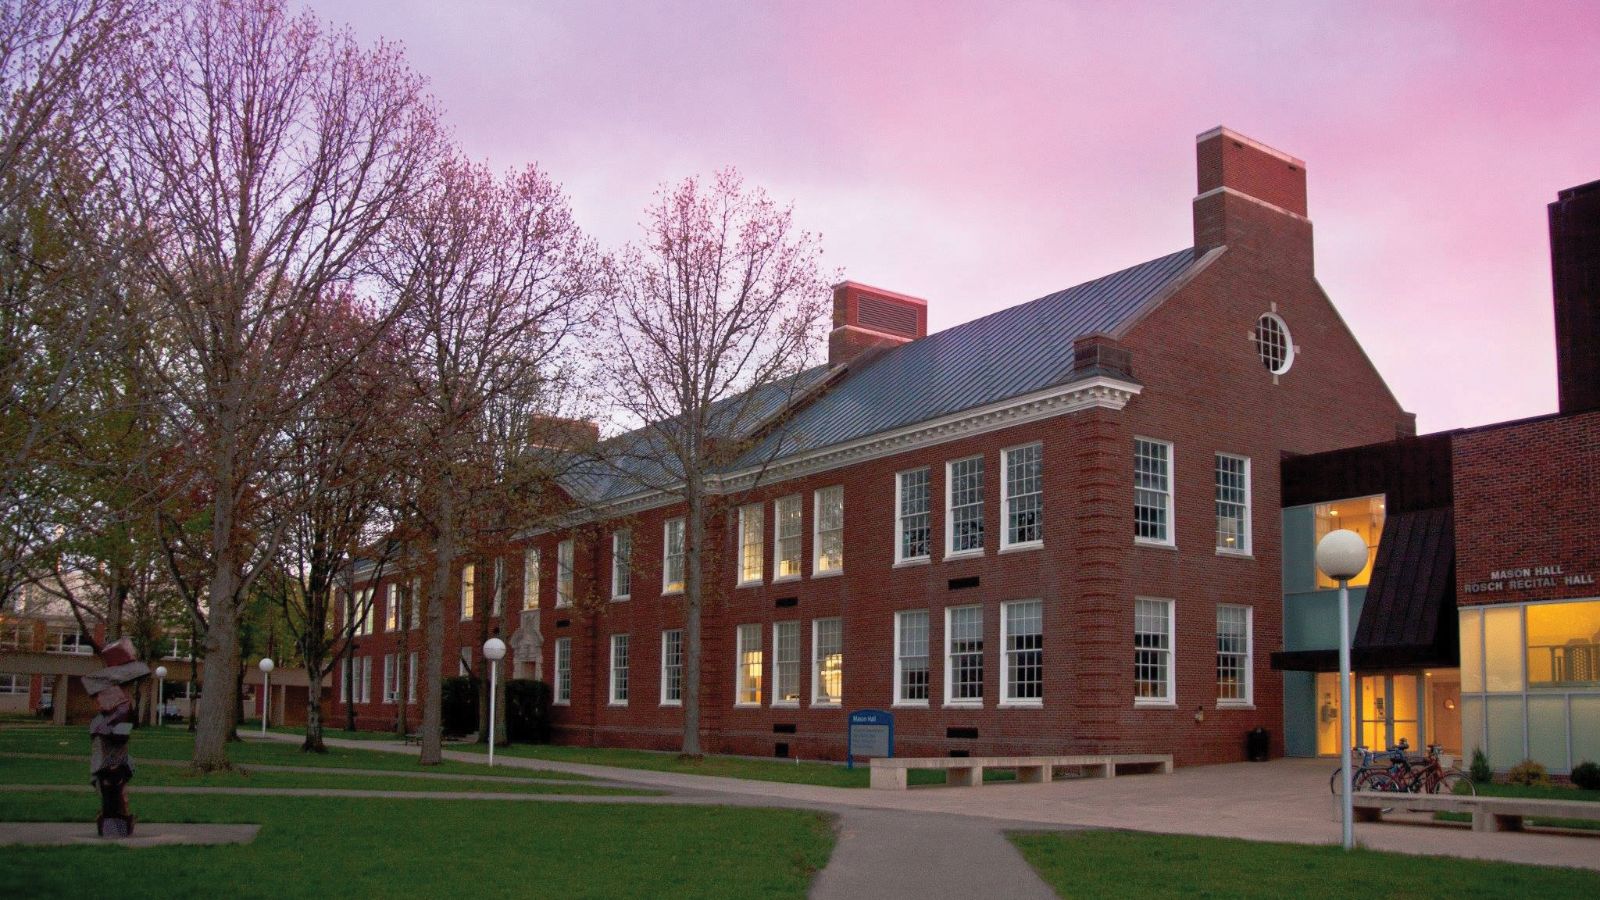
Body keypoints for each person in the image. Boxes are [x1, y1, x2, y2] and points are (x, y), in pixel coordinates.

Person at [82, 637, 149, 838]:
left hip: (110, 743)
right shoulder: (117, 703)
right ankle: (114, 821)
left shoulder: (115, 700)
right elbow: (117, 723)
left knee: (115, 780)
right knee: (113, 780)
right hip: (109, 745)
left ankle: (116, 819)